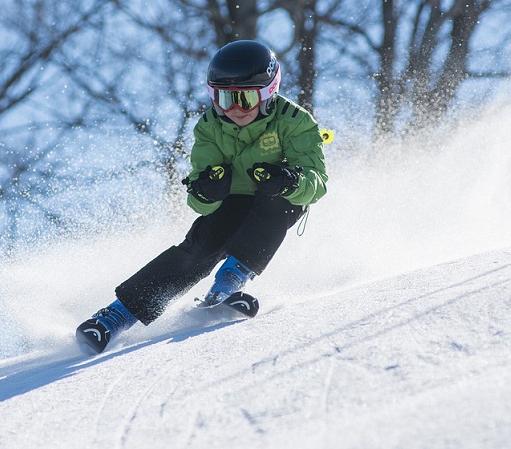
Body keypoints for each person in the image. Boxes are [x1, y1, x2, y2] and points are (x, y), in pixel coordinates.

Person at [75, 40, 328, 354]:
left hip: (277, 198)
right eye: (223, 98)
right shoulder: (209, 127)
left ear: (267, 94)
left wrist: (289, 181)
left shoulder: (295, 121)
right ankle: (115, 317)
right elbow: (198, 201)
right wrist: (206, 190)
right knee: (200, 247)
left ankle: (227, 285)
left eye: (245, 98)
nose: (234, 109)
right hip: (232, 200)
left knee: (279, 204)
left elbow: (317, 183)